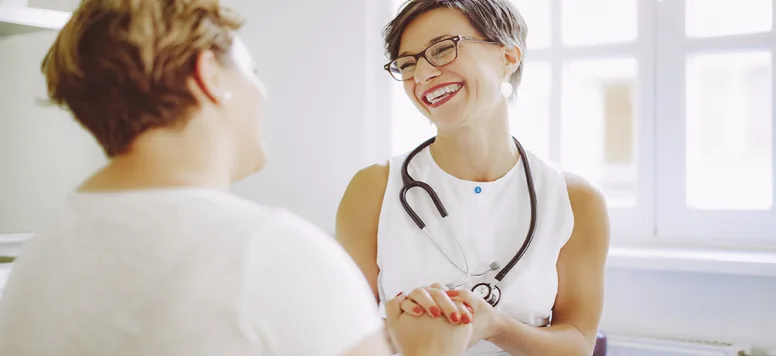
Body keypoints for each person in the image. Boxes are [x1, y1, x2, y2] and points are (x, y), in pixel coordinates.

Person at [0, 1, 473, 355]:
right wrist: (427, 349)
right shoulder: (272, 253)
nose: (261, 92)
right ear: (209, 74)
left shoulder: (37, 260)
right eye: (253, 71)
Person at [335, 0, 611, 355]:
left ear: (508, 57)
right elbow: (342, 335)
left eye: (442, 49)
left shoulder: (576, 200)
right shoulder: (373, 189)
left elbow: (578, 344)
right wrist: (406, 335)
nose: (421, 75)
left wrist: (494, 325)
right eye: (407, 63)